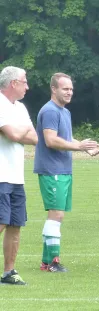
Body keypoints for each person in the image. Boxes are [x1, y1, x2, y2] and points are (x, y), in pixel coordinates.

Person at [35, 72, 99, 272]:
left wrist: (83, 146)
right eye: (65, 88)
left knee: (57, 215)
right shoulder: (50, 111)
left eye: (71, 89)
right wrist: (79, 147)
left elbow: (66, 139)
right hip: (52, 169)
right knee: (56, 214)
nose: (70, 92)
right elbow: (51, 140)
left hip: (63, 169)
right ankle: (52, 261)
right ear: (53, 89)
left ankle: (47, 261)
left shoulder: (65, 112)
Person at [0, 66, 37, 285]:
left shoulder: (20, 107)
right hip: (1, 175)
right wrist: (21, 130)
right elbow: (15, 134)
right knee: (1, 222)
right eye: (24, 81)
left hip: (16, 176)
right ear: (13, 83)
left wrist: (19, 130)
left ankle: (8, 272)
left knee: (15, 224)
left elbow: (34, 138)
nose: (27, 86)